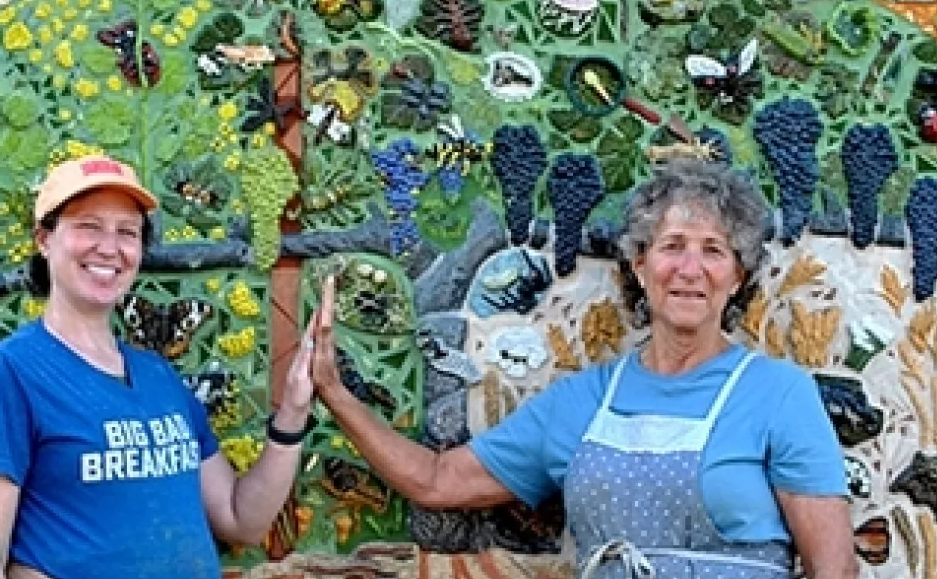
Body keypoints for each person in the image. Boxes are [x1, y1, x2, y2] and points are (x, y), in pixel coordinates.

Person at [306, 159, 856, 579]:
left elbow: (834, 569)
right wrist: (334, 391)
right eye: (672, 247)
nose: (690, 269)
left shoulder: (779, 395)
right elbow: (436, 479)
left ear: (738, 276)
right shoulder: (585, 400)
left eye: (714, 250)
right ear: (639, 265)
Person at [0, 155, 331, 579]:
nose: (109, 248)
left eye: (127, 232)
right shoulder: (9, 375)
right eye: (88, 226)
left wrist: (294, 410)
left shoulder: (159, 376)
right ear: (44, 239)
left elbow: (242, 520)